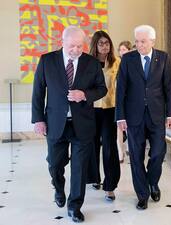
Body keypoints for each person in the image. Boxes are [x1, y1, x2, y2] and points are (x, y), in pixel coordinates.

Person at [31, 26, 107, 223]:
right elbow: (38, 92)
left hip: (82, 124)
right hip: (56, 123)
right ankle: (58, 188)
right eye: (72, 45)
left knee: (79, 167)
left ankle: (75, 206)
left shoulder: (91, 63)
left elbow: (101, 89)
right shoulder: (47, 61)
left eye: (80, 46)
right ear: (62, 42)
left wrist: (85, 95)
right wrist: (38, 119)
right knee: (55, 164)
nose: (76, 50)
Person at [116, 25, 171, 210]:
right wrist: (120, 117)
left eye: (143, 41)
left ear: (152, 41)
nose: (139, 45)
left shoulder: (163, 58)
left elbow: (169, 88)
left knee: (158, 152)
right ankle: (142, 195)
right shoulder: (127, 59)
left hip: (157, 115)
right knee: (135, 156)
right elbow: (121, 90)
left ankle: (152, 182)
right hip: (134, 116)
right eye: (137, 41)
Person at [87, 30, 121, 201]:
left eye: (107, 43)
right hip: (91, 110)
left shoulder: (117, 63)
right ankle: (94, 178)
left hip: (110, 109)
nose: (104, 46)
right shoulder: (87, 63)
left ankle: (110, 186)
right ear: (95, 45)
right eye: (101, 43)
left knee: (109, 147)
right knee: (92, 146)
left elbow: (122, 88)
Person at [116, 40, 133, 163]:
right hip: (118, 99)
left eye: (124, 49)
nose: (122, 52)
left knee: (130, 129)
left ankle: (130, 149)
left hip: (131, 101)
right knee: (119, 129)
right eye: (120, 50)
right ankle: (120, 153)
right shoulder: (116, 63)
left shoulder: (133, 63)